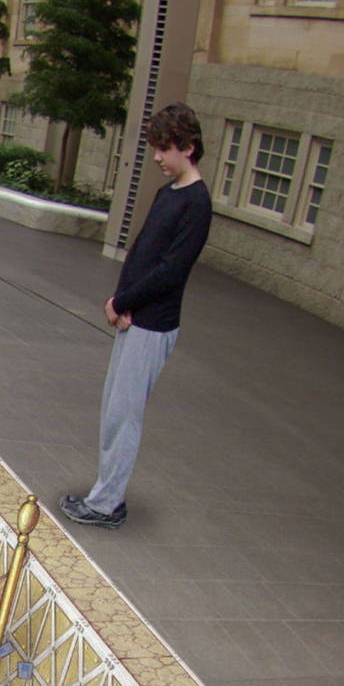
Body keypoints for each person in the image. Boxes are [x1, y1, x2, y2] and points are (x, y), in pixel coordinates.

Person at [62, 102, 211, 530]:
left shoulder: (197, 203)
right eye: (156, 148)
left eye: (165, 149)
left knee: (124, 416)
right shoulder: (169, 193)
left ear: (188, 147)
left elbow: (172, 270)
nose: (158, 157)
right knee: (114, 411)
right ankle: (104, 495)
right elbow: (143, 251)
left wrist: (126, 302)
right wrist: (122, 302)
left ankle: (106, 505)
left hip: (153, 323)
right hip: (136, 316)